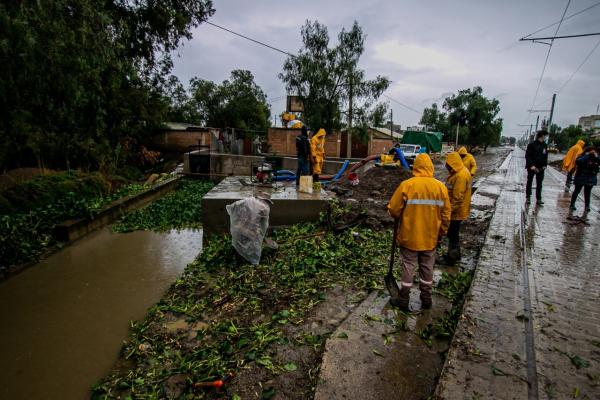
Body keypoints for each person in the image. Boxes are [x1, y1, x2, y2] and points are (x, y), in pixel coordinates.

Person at [388, 153, 451, 311]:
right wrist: (442, 232)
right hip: (430, 237)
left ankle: (403, 299)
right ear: (430, 167)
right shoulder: (440, 187)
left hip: (410, 236)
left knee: (408, 266)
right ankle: (426, 298)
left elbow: (394, 210)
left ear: (415, 167)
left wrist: (397, 214)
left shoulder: (407, 185)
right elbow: (446, 214)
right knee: (427, 267)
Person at [443, 151, 472, 265]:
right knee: (453, 234)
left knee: (453, 234)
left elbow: (457, 198)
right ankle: (456, 255)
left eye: (448, 164)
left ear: (453, 163)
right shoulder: (459, 172)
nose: (446, 166)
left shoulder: (460, 175)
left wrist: (448, 212)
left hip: (456, 212)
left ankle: (451, 258)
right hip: (459, 210)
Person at [569, 146, 599, 213]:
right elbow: (578, 162)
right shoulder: (582, 156)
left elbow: (598, 164)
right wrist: (587, 155)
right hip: (581, 177)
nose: (593, 153)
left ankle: (587, 206)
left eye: (594, 151)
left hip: (590, 178)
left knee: (587, 193)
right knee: (576, 191)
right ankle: (572, 204)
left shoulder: (595, 158)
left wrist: (596, 157)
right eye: (591, 151)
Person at [525, 130, 549, 205]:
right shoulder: (532, 144)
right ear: (542, 135)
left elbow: (545, 156)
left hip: (541, 168)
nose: (546, 137)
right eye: (546, 136)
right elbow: (527, 156)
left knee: (539, 183)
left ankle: (538, 199)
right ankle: (528, 197)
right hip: (532, 167)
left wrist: (545, 165)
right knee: (529, 182)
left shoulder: (545, 145)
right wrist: (531, 165)